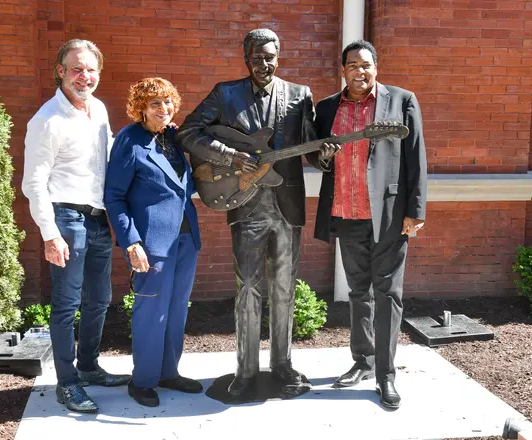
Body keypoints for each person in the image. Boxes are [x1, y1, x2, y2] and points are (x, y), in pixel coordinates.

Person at [177, 28, 333, 397]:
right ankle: (245, 370)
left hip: (287, 204)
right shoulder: (225, 93)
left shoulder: (299, 95)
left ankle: (283, 365)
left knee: (284, 288)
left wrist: (323, 155)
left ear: (280, 57)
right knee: (247, 288)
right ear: (246, 59)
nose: (264, 64)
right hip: (244, 202)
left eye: (270, 57)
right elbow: (187, 132)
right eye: (257, 57)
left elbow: (310, 150)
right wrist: (230, 156)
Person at [309, 39, 427, 409]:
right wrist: (323, 158)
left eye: (366, 65)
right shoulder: (328, 107)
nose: (360, 72)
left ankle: (386, 375)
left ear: (376, 67)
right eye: (352, 65)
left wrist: (416, 210)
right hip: (346, 212)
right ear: (342, 69)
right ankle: (362, 361)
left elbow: (415, 155)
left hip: (389, 216)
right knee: (358, 292)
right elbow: (318, 158)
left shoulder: (401, 100)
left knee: (388, 293)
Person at [22, 39, 130, 414]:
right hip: (66, 218)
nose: (85, 76)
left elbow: (110, 155)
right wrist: (50, 234)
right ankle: (67, 384)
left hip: (98, 219)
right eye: (77, 69)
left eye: (91, 69)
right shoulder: (47, 120)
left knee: (99, 299)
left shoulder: (97, 109)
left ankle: (88, 368)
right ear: (61, 71)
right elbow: (33, 183)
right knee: (66, 305)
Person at [104, 77, 202, 407]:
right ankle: (143, 380)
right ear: (140, 108)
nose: (164, 109)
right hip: (152, 243)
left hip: (187, 237)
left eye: (168, 102)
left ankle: (168, 373)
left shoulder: (174, 138)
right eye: (155, 104)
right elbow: (114, 197)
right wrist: (131, 242)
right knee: (151, 311)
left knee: (176, 309)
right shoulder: (129, 140)